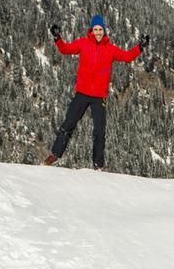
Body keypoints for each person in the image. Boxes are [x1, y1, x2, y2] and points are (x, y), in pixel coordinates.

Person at [44, 15, 149, 171]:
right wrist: (57, 37)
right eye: (95, 30)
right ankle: (55, 155)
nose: (98, 33)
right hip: (82, 93)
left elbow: (127, 57)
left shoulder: (110, 49)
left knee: (99, 131)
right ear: (91, 30)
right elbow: (65, 49)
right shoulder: (83, 43)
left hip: (99, 97)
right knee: (68, 125)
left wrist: (140, 47)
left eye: (100, 30)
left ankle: (98, 165)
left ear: (104, 31)